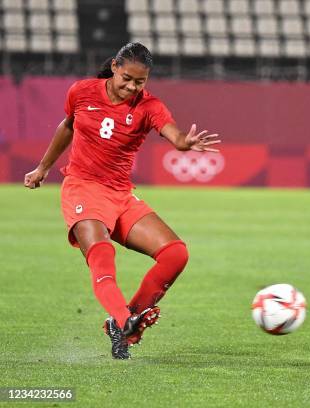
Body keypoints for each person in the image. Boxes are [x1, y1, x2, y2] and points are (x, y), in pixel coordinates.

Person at [24, 43, 220, 360]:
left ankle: (126, 323)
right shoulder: (81, 91)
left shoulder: (149, 106)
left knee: (176, 254)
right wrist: (42, 169)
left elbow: (173, 133)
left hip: (120, 194)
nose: (131, 87)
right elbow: (68, 126)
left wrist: (184, 143)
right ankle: (123, 319)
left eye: (139, 82)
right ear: (115, 66)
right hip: (83, 188)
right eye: (127, 78)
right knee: (102, 253)